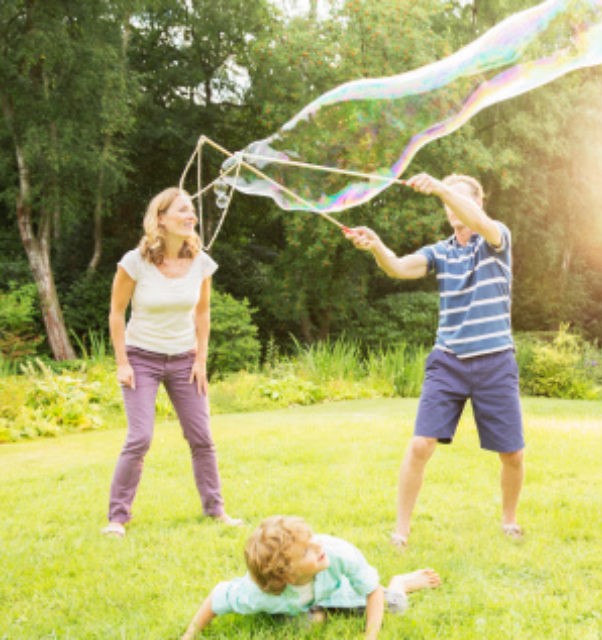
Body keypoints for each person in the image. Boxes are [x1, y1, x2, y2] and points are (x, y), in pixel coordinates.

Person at [344, 173, 525, 547]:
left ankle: (509, 520)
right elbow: (398, 267)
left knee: (512, 452)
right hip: (449, 360)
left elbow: (480, 224)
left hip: (494, 359)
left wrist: (442, 188)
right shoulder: (440, 252)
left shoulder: (496, 238)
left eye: (460, 198)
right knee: (420, 445)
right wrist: (377, 245)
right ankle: (401, 532)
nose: (451, 206)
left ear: (477, 202)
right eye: (447, 200)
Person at [102, 187, 241, 537]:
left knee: (202, 438)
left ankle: (216, 511)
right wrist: (122, 362)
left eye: (191, 209)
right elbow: (117, 313)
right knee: (140, 438)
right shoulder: (135, 262)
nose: (190, 215)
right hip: (141, 357)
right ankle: (117, 518)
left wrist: (201, 358)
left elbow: (203, 312)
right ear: (160, 219)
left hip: (184, 360)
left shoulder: (201, 262)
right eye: (181, 210)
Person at [181, 515, 441, 639]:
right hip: (297, 603)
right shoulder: (257, 593)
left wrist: (370, 636)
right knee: (301, 626)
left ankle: (401, 583)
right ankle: (317, 613)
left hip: (342, 593)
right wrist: (190, 633)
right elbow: (218, 596)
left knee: (395, 606)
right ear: (287, 576)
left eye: (311, 537)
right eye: (305, 550)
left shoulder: (336, 553)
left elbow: (371, 591)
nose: (318, 546)